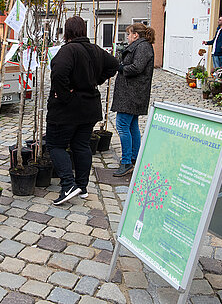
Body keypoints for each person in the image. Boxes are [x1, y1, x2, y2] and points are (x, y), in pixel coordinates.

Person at [46, 16, 119, 205]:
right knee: (81, 145)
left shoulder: (68, 50)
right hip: (89, 107)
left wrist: (66, 96)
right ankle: (82, 186)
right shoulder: (95, 50)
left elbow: (59, 74)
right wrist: (95, 81)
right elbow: (113, 65)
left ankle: (69, 185)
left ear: (67, 32)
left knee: (55, 145)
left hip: (67, 110)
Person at [111, 23, 155, 177]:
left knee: (122, 125)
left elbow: (137, 67)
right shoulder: (141, 46)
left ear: (136, 35)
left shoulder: (143, 47)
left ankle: (127, 161)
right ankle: (134, 158)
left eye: (129, 34)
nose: (128, 37)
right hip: (132, 93)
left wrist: (121, 67)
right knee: (132, 125)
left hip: (132, 94)